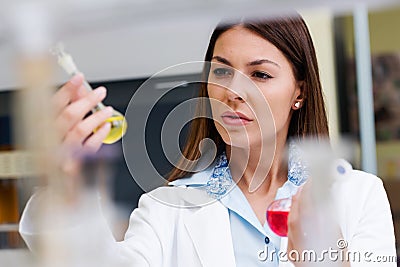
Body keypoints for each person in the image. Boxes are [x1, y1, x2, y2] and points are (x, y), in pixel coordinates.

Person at [19, 13, 396, 266]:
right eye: (222, 71)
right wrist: (69, 190)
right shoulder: (165, 209)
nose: (235, 91)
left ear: (300, 90)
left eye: (260, 74)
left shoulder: (358, 196)